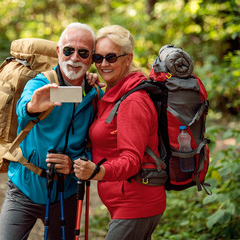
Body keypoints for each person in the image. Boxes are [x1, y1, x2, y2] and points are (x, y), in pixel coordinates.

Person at [0, 22, 102, 240]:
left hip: (68, 193)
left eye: (83, 53)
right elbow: (25, 106)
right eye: (68, 50)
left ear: (91, 58)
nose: (74, 58)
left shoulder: (94, 95)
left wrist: (75, 164)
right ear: (58, 52)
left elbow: (99, 146)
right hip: (23, 188)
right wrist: (31, 107)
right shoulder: (42, 83)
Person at [74, 25, 166, 240]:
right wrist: (94, 88)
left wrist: (96, 172)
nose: (103, 64)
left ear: (128, 58)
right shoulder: (115, 93)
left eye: (111, 57)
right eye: (98, 57)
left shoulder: (133, 101)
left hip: (136, 203)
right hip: (127, 203)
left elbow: (131, 160)